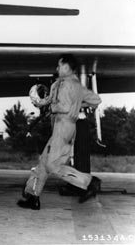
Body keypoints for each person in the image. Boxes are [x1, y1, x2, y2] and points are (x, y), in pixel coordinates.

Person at [17, 54, 102, 210]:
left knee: (53, 165)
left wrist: (71, 106)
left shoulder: (72, 85)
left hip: (65, 127)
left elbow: (66, 106)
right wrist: (39, 102)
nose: (57, 68)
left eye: (59, 65)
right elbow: (94, 101)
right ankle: (33, 196)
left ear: (67, 67)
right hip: (59, 127)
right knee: (44, 162)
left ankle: (89, 182)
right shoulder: (59, 84)